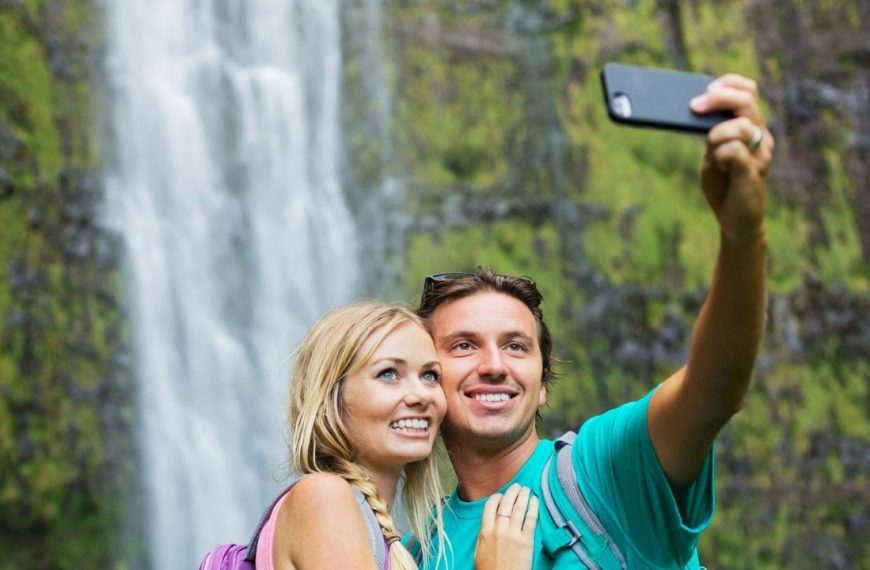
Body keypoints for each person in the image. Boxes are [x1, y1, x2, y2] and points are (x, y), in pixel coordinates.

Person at [412, 73, 774, 568]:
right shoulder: (416, 551)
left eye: (517, 346)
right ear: (426, 383)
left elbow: (714, 388)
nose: (495, 364)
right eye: (463, 346)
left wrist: (742, 235)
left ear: (543, 385)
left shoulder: (602, 471)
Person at [257, 301, 539, 570]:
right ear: (331, 399)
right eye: (389, 374)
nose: (420, 395)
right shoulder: (324, 498)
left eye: (429, 376)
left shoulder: (394, 538)